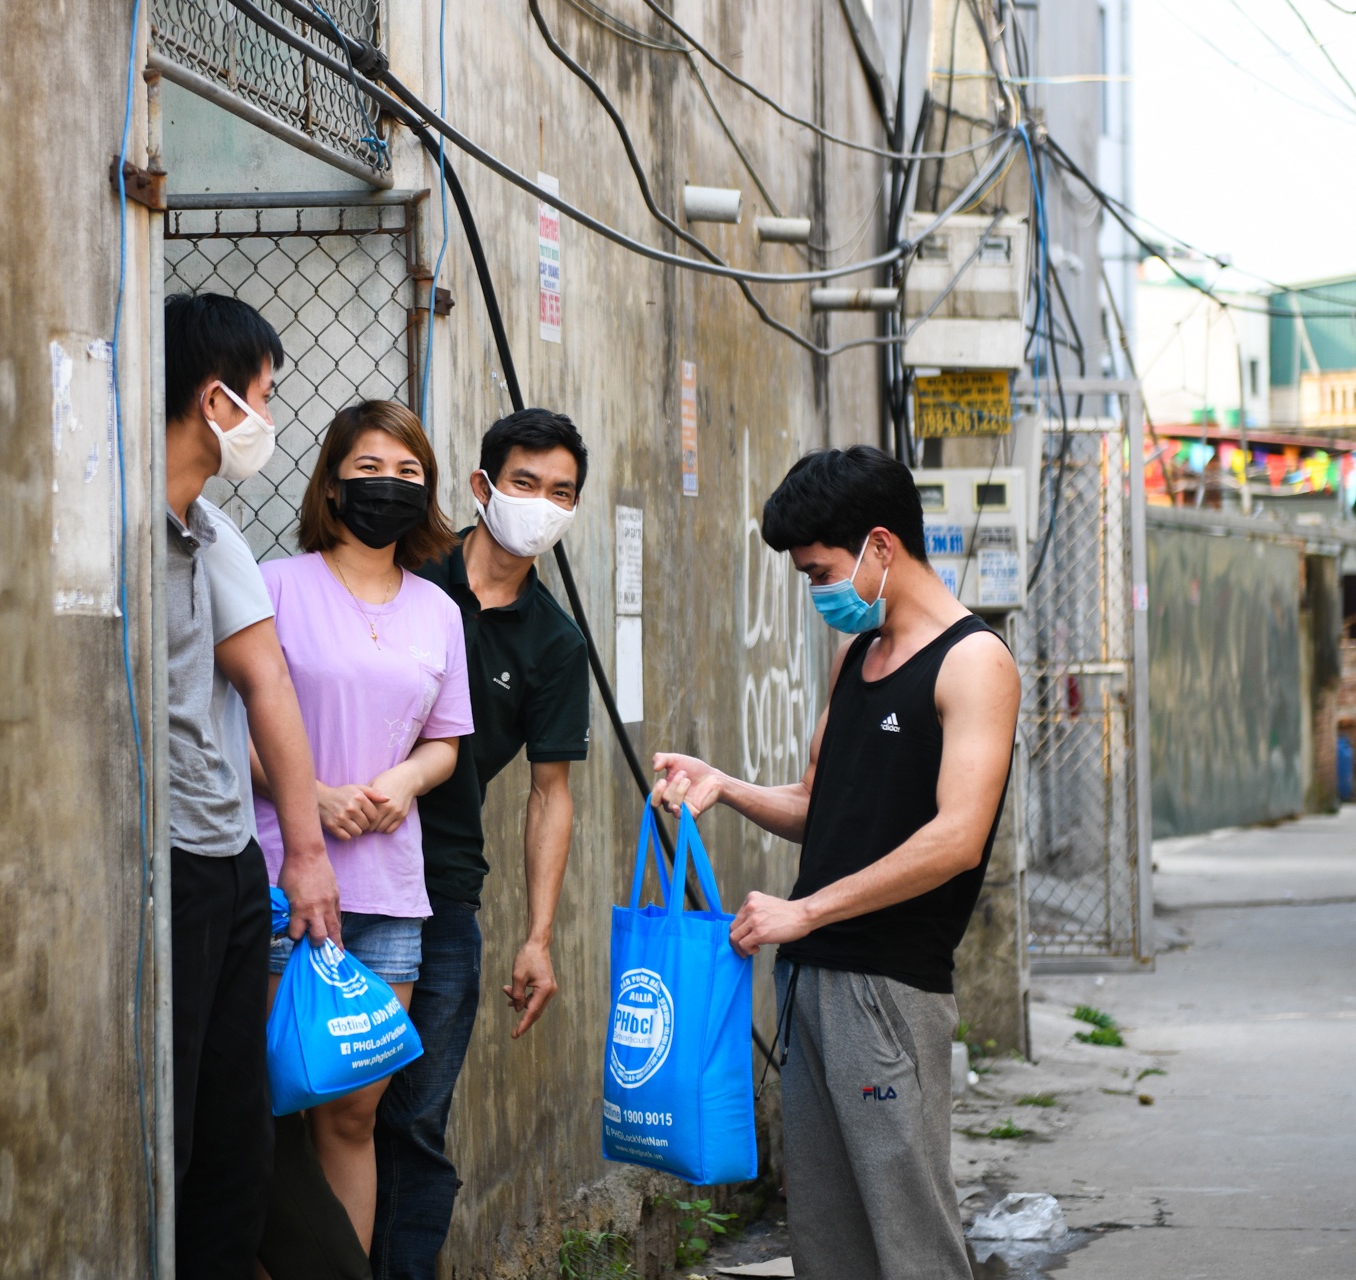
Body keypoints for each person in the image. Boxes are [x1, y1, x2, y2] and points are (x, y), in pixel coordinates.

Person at [652, 445, 1021, 1280]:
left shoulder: (975, 662)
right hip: (810, 978)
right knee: (827, 1241)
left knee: (908, 1233)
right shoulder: (858, 656)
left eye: (820, 570)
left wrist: (807, 910)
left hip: (887, 991)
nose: (816, 590)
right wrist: (728, 787)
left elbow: (956, 838)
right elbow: (825, 808)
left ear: (881, 547)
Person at [370, 409, 592, 1279]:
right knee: (311, 1103)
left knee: (416, 1117)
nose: (541, 504)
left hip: (442, 890)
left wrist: (537, 936)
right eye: (526, 484)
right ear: (483, 487)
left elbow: (550, 793)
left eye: (561, 492)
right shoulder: (404, 570)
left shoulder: (555, 643)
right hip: (328, 865)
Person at [252, 399, 474, 1255]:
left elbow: (446, 743)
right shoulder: (273, 587)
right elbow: (232, 729)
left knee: (354, 1114)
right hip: (284, 881)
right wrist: (318, 794)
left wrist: (399, 781)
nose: (389, 487)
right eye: (370, 470)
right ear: (332, 483)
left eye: (409, 473)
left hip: (388, 889)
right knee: (280, 1104)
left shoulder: (437, 610)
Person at [163, 291, 340, 1279]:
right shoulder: (119, 515)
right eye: (264, 394)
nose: (267, 418)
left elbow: (267, 679)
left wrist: (302, 856)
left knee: (237, 1130)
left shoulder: (216, 532)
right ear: (215, 397)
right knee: (176, 1122)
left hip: (227, 862)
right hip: (166, 865)